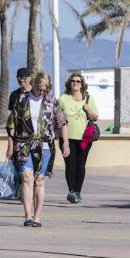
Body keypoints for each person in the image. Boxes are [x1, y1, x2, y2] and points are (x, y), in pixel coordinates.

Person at [7, 71, 64, 227]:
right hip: (23, 145)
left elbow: (61, 123)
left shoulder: (52, 101)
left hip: (44, 145)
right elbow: (11, 124)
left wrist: (65, 143)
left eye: (46, 89)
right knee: (26, 177)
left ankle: (37, 217)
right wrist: (10, 146)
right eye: (40, 88)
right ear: (35, 85)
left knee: (39, 180)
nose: (43, 92)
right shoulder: (21, 99)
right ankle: (27, 215)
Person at [56, 72, 98, 204]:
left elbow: (95, 117)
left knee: (80, 165)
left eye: (78, 81)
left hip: (84, 138)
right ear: (69, 83)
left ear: (82, 85)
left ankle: (78, 192)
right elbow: (58, 116)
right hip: (67, 138)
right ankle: (71, 191)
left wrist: (88, 110)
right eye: (73, 81)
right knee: (70, 165)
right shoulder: (63, 99)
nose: (75, 83)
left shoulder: (88, 99)